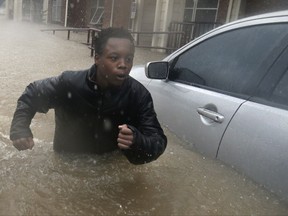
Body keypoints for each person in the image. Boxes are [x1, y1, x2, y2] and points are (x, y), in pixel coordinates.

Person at [10, 27, 167, 164]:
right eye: (114, 58)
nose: (123, 64)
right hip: (66, 165)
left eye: (129, 59)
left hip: (111, 168)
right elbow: (31, 94)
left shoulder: (138, 95)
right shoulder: (69, 84)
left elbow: (158, 141)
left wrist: (137, 141)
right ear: (97, 58)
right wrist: (20, 128)